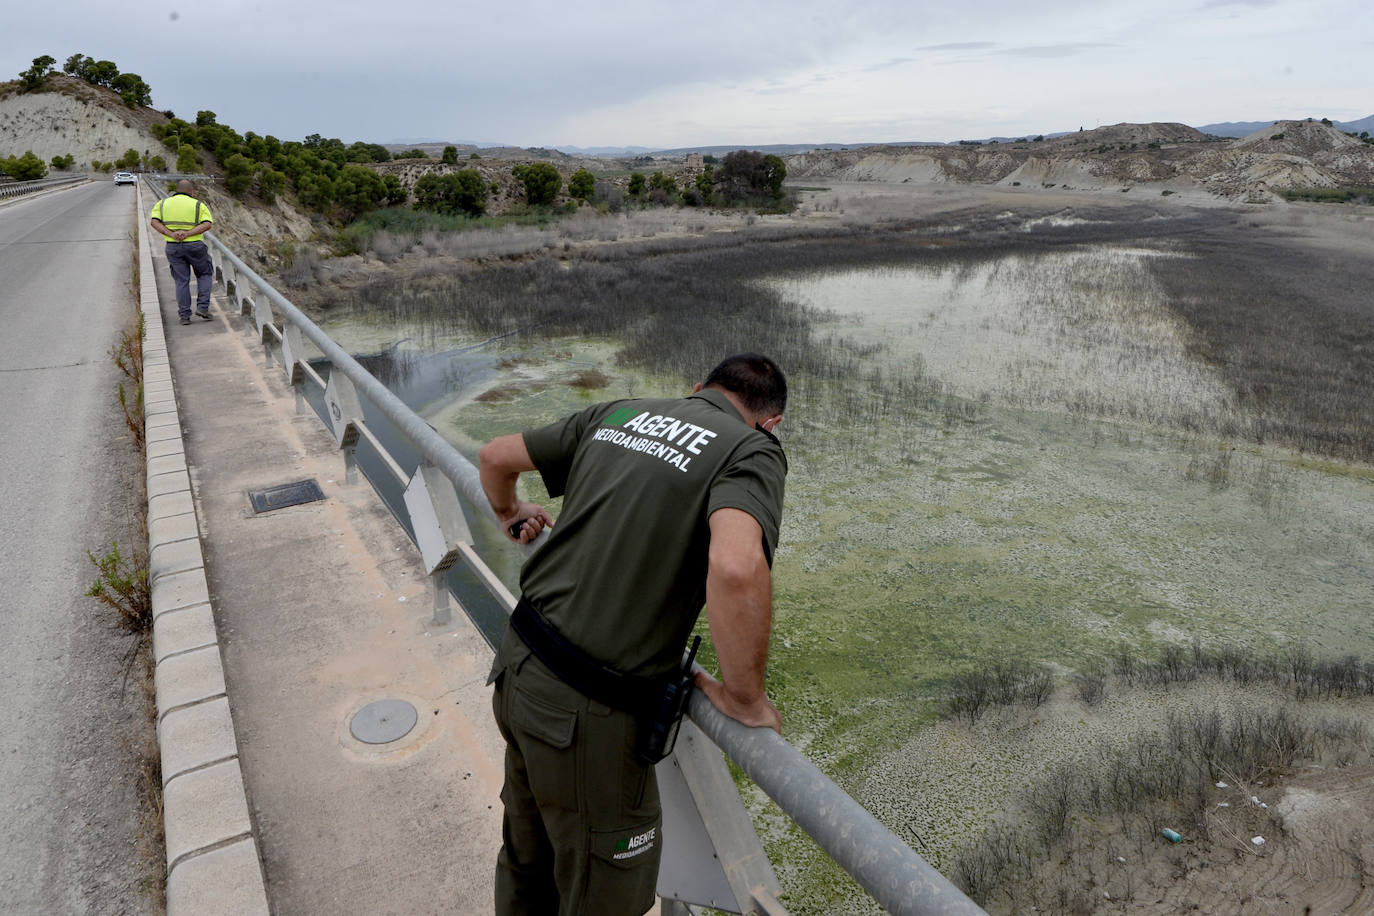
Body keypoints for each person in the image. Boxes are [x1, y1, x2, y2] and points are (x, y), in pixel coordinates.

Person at [479, 353, 789, 916]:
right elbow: (738, 568)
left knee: (528, 861)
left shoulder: (622, 411)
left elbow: (495, 456)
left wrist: (510, 511)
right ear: (771, 423)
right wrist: (744, 699)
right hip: (586, 718)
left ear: (697, 388)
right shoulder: (751, 449)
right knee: (605, 895)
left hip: (516, 667)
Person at [149, 180, 214, 326]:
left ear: (176, 190)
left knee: (181, 280)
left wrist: (171, 234)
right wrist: (188, 233)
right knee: (204, 274)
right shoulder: (198, 205)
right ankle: (202, 308)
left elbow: (154, 222)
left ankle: (184, 316)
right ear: (191, 191)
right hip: (195, 246)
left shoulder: (163, 203)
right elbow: (207, 224)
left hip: (173, 246)